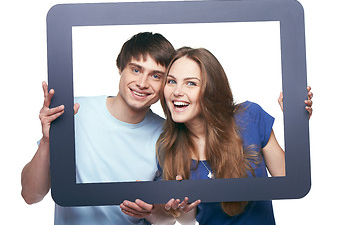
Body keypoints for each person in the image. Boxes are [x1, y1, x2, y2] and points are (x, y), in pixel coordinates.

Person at [121, 46, 313, 224]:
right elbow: (187, 220)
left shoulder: (249, 116)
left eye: (191, 83)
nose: (177, 91)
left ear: (210, 89)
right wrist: (172, 209)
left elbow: (289, 179)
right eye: (171, 81)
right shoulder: (167, 147)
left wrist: (295, 121)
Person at [21, 32, 177, 225]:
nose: (143, 83)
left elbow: (168, 219)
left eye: (156, 76)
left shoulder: (167, 135)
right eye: (136, 70)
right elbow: (30, 195)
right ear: (121, 68)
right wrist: (47, 141)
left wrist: (151, 211)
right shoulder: (74, 111)